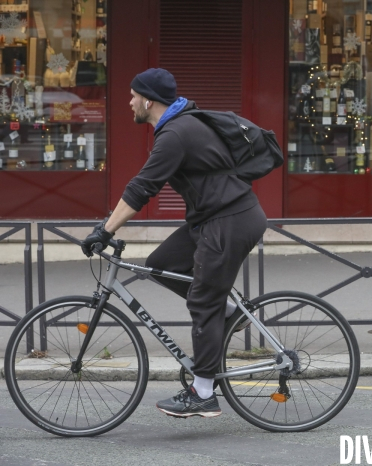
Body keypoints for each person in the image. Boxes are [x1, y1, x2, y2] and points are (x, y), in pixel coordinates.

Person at [81, 68, 268, 418]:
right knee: (161, 265)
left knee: (203, 300)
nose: (130, 101)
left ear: (149, 100)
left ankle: (203, 392)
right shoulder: (178, 125)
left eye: (134, 95)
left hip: (231, 220)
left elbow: (142, 187)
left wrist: (105, 231)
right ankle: (228, 316)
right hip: (212, 218)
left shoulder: (177, 133)